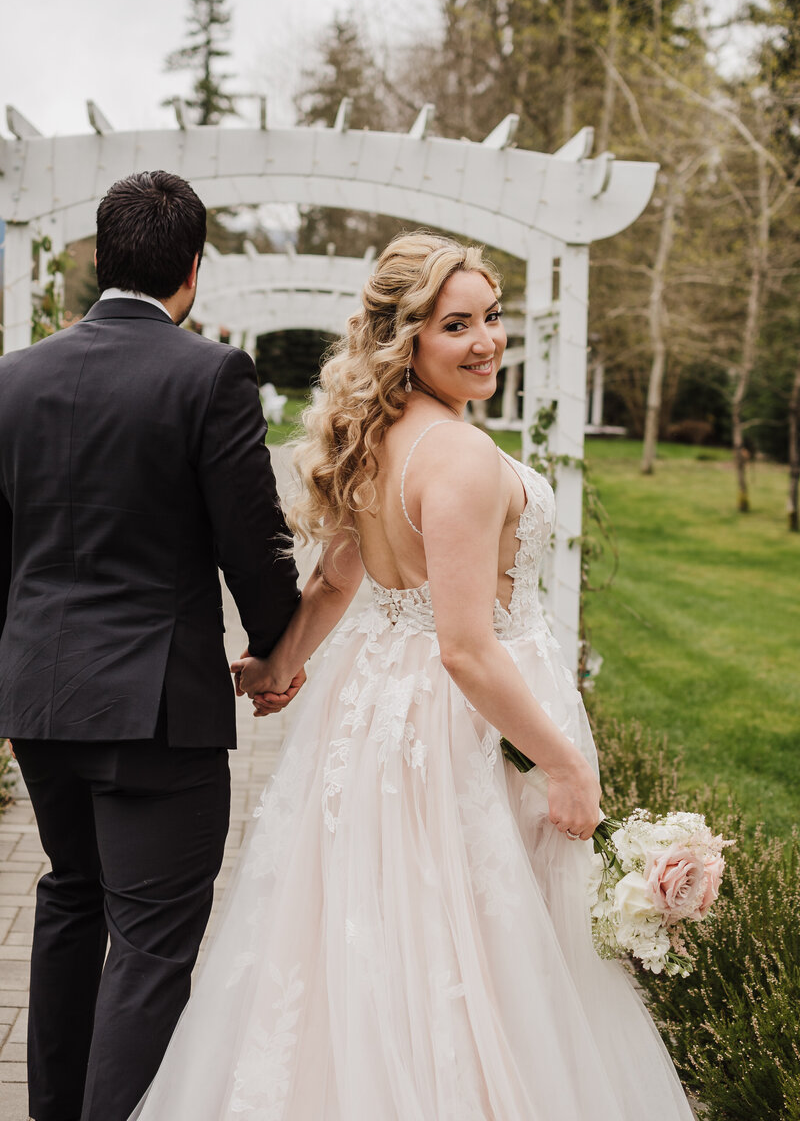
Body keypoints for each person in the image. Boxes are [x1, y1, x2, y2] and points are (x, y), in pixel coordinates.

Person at [130, 232, 694, 1119]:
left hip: (378, 715)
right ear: (406, 340)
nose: (486, 341)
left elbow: (335, 579)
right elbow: (467, 649)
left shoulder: (380, 438)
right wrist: (565, 766)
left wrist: (281, 661)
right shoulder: (459, 458)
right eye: (455, 325)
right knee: (474, 948)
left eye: (493, 318)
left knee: (380, 940)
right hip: (458, 729)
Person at [0, 170, 303, 1121]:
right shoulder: (209, 374)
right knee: (150, 937)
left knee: (71, 898)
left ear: (98, 260)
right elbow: (251, 541)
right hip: (156, 715)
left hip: (39, 701)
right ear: (194, 270)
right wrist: (275, 649)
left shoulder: (15, 376)